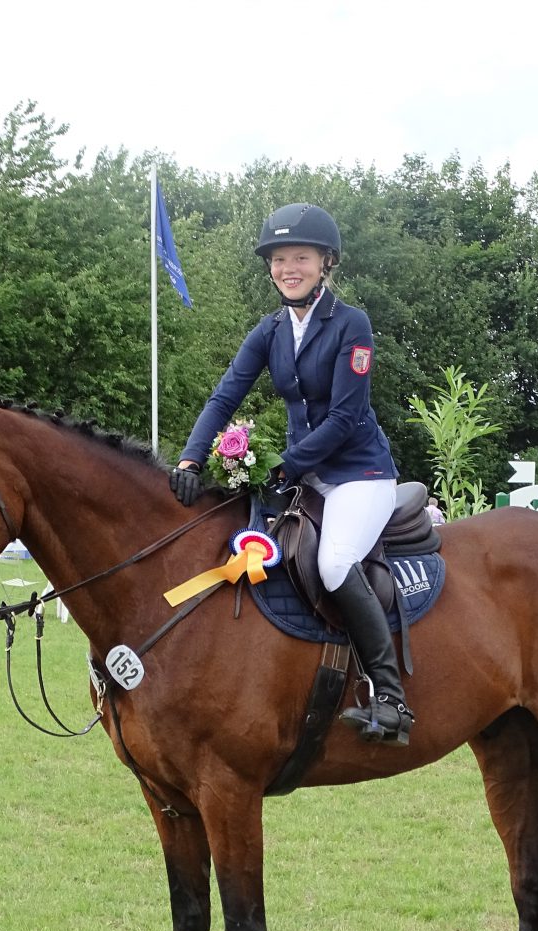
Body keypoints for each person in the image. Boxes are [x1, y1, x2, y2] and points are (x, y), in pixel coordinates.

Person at [169, 203, 413, 746]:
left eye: (300, 257)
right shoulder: (271, 329)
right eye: (279, 260)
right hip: (302, 474)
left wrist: (284, 466)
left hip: (358, 474)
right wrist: (190, 457)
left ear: (325, 262)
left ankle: (392, 697)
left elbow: (346, 418)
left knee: (333, 563)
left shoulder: (352, 324)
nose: (288, 268)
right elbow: (225, 394)